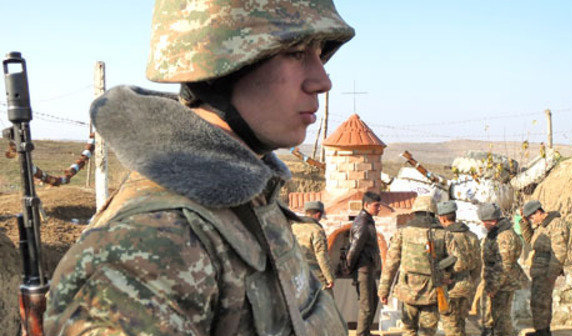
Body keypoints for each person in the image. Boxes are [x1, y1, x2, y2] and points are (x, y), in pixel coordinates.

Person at [44, 1, 355, 335]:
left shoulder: (251, 201)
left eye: (319, 52)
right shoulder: (150, 246)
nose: (322, 81)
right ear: (223, 66)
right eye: (295, 52)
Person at [378, 195, 447, 336]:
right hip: (432, 291)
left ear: (415, 211)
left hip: (407, 290)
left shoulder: (402, 233)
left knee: (409, 331)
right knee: (427, 333)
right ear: (434, 212)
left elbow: (391, 263)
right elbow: (454, 263)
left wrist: (384, 290)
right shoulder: (443, 234)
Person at [520, 200, 571, 336]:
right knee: (538, 302)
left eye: (531, 217)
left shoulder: (556, 224)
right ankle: (542, 331)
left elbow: (559, 253)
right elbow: (531, 241)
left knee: (541, 303)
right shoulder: (542, 226)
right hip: (539, 271)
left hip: (546, 270)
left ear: (538, 212)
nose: (532, 220)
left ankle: (542, 332)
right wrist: (524, 224)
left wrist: (551, 275)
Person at [478, 203, 528, 336]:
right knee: (492, 318)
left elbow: (504, 265)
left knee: (502, 321)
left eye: (485, 222)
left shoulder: (504, 236)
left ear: (493, 221)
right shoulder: (495, 233)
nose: (483, 225)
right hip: (495, 282)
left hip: (503, 284)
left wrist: (493, 286)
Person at [436, 201, 481, 336]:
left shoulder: (443, 236)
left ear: (443, 218)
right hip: (467, 284)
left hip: (450, 287)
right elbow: (478, 265)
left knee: (451, 327)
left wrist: (443, 279)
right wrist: (469, 279)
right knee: (461, 324)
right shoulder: (472, 236)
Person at [347, 191, 382, 336]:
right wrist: (351, 268)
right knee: (366, 305)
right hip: (363, 270)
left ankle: (365, 332)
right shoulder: (362, 223)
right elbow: (353, 250)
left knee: (373, 302)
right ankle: (361, 334)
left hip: (368, 269)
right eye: (376, 205)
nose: (379, 208)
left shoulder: (367, 220)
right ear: (366, 205)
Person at [291, 201, 335, 291]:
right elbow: (321, 256)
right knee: (326, 301)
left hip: (297, 273)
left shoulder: (293, 227)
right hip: (315, 275)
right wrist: (329, 277)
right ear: (318, 214)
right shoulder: (317, 230)